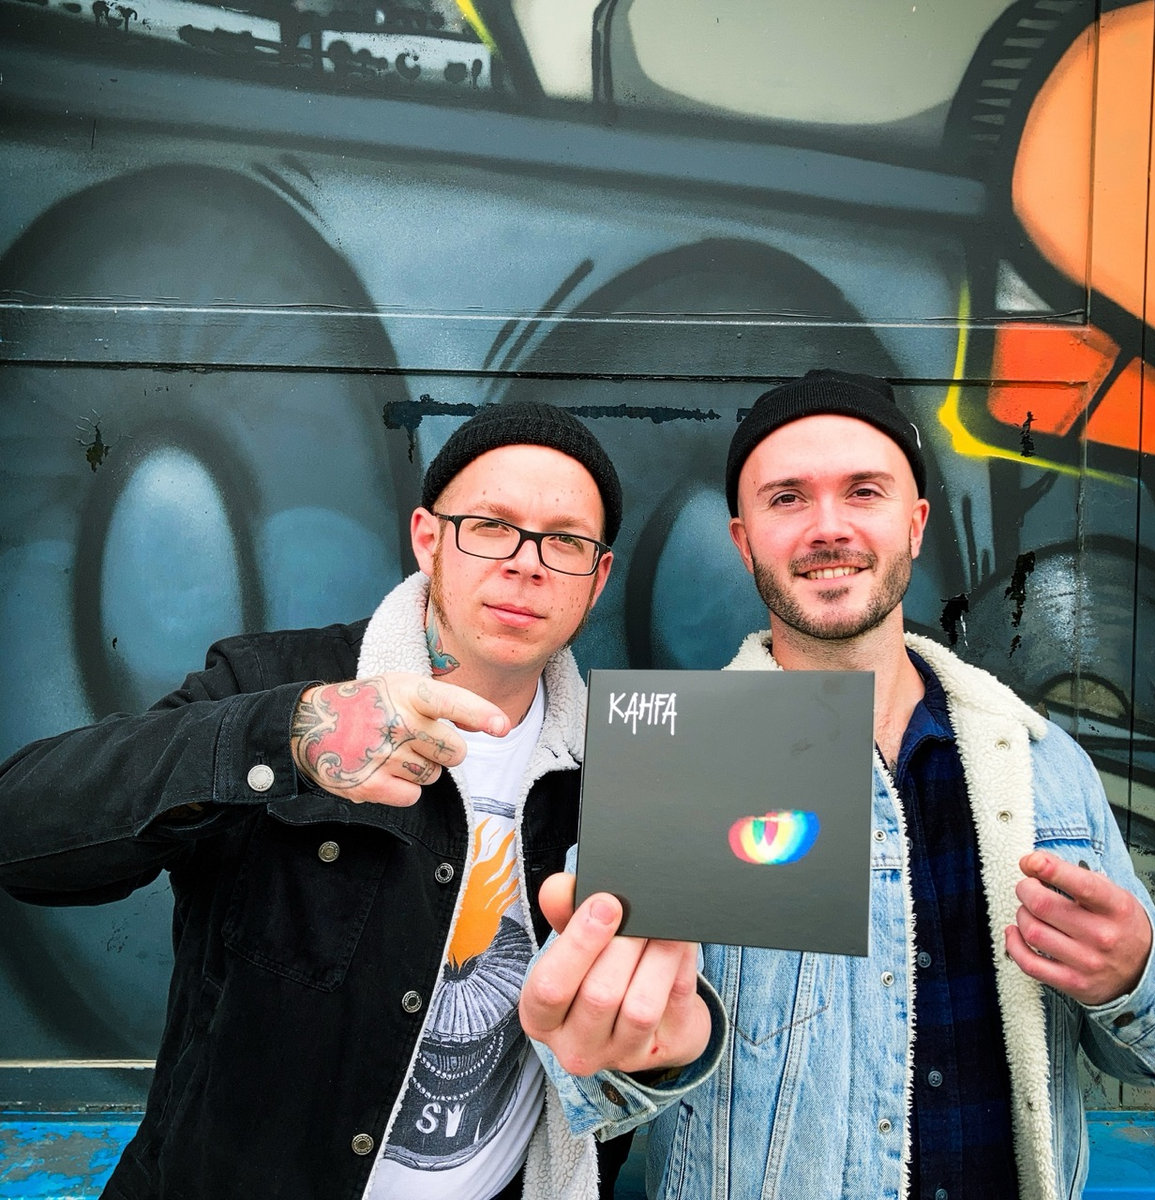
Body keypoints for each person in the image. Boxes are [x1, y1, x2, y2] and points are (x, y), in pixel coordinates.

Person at [0, 401, 720, 1200]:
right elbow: (23, 833)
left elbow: (618, 1062)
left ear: (598, 578)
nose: (527, 563)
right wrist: (288, 736)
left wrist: (670, 1052)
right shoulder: (271, 682)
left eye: (566, 541)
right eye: (491, 526)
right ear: (428, 538)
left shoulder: (621, 768)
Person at [538, 369, 1155, 1199]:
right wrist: (634, 1050)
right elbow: (591, 1085)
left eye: (863, 491)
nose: (828, 528)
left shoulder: (1044, 764)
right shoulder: (678, 767)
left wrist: (1135, 973)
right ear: (743, 541)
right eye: (787, 498)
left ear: (914, 523)